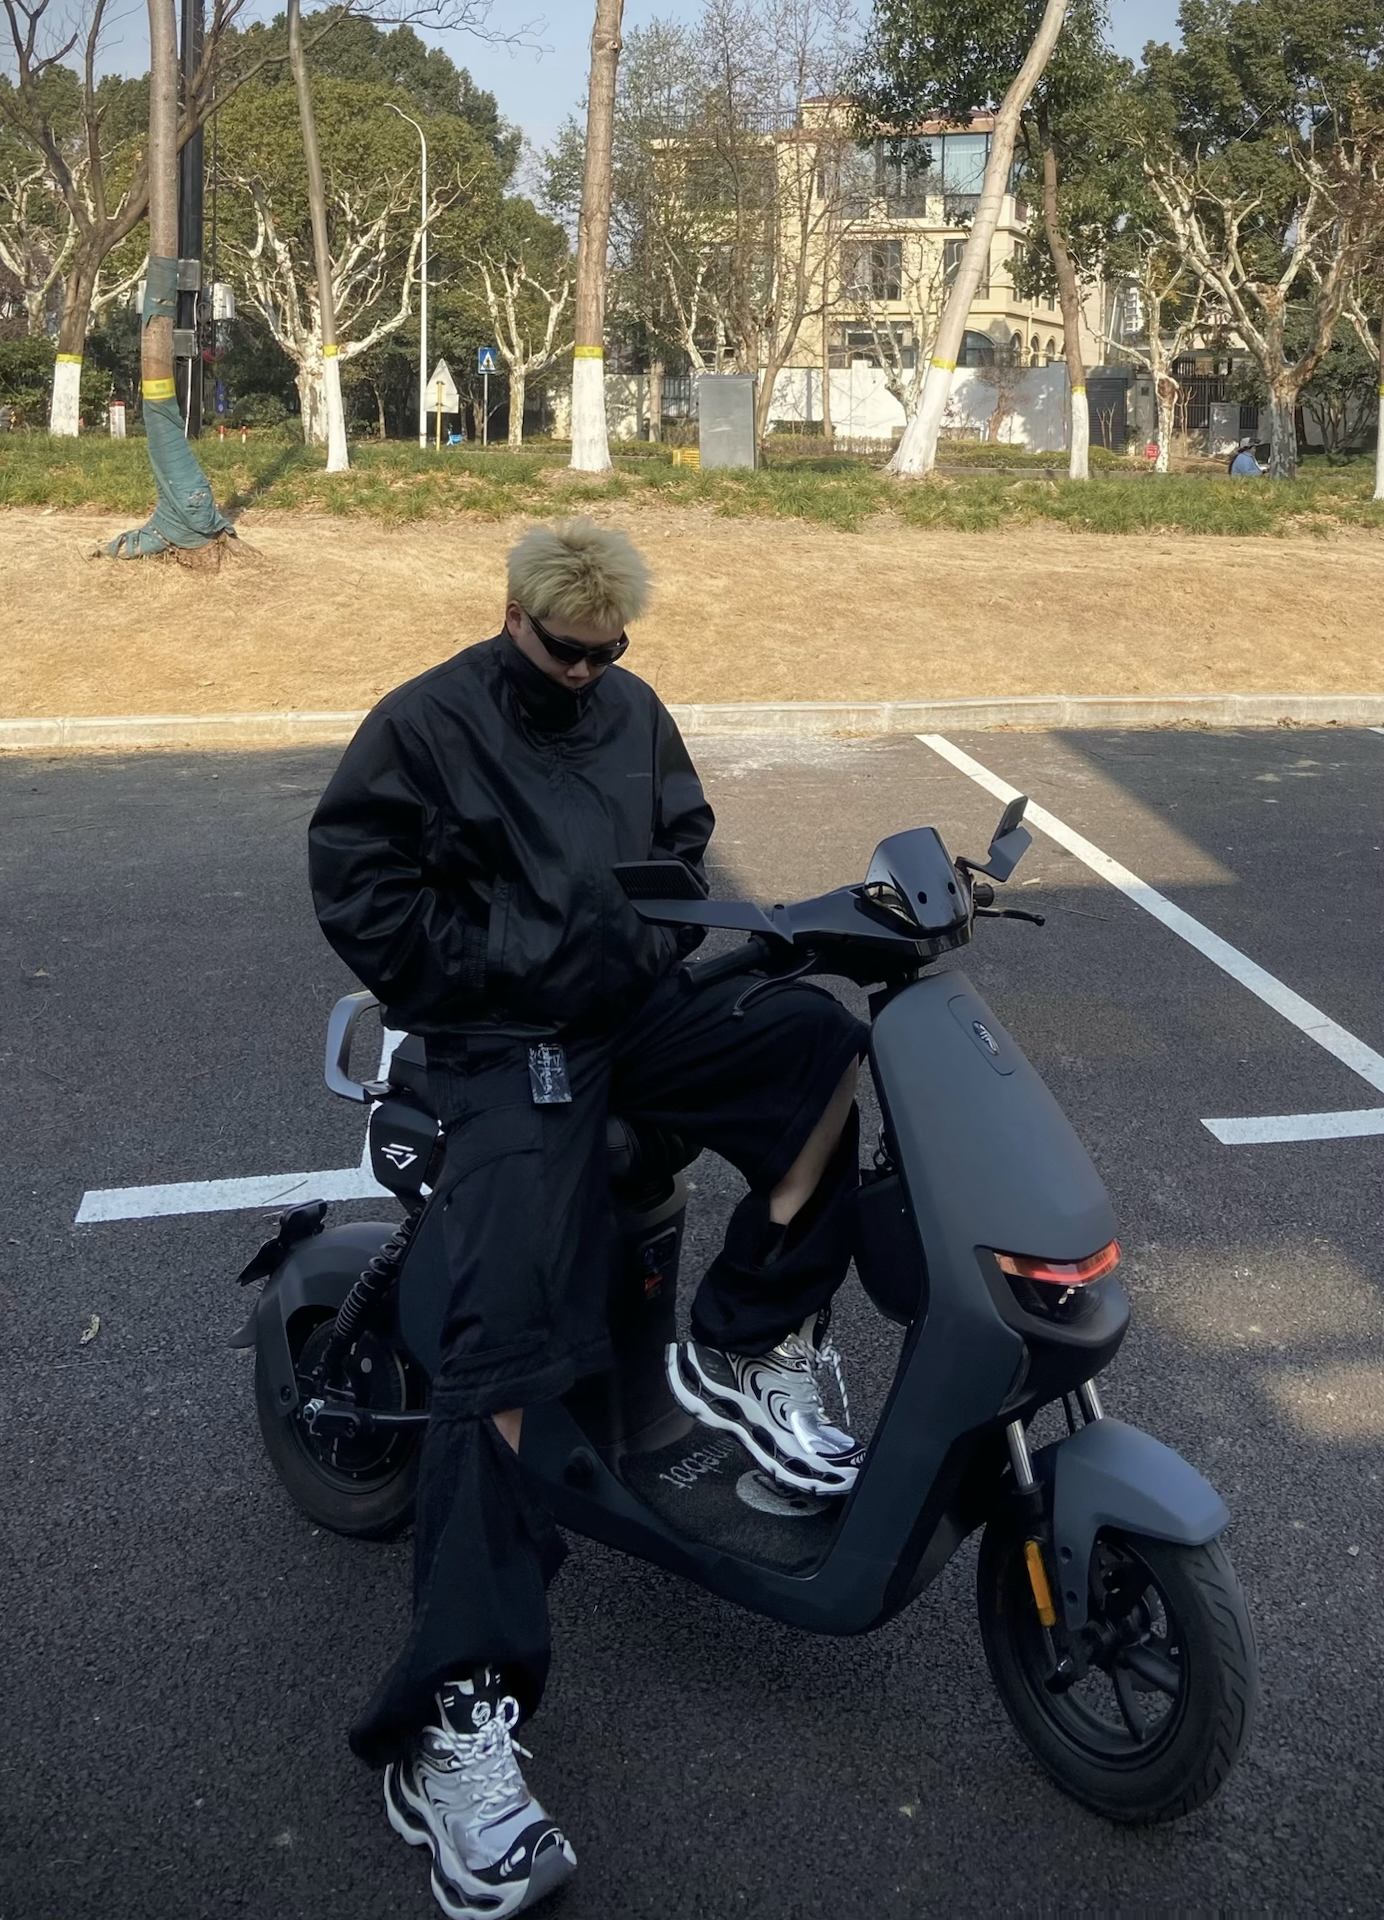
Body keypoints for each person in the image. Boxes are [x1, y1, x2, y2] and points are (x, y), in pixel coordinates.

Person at [307, 518, 868, 1920]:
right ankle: (451, 1723)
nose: (590, 673)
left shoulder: (632, 707)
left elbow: (682, 835)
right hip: (505, 1042)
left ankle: (746, 1341)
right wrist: (516, 960)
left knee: (817, 1043)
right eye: (569, 652)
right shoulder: (424, 725)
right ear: (514, 617)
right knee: (502, 1345)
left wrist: (650, 939)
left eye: (611, 653)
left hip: (629, 1014)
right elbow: (359, 888)